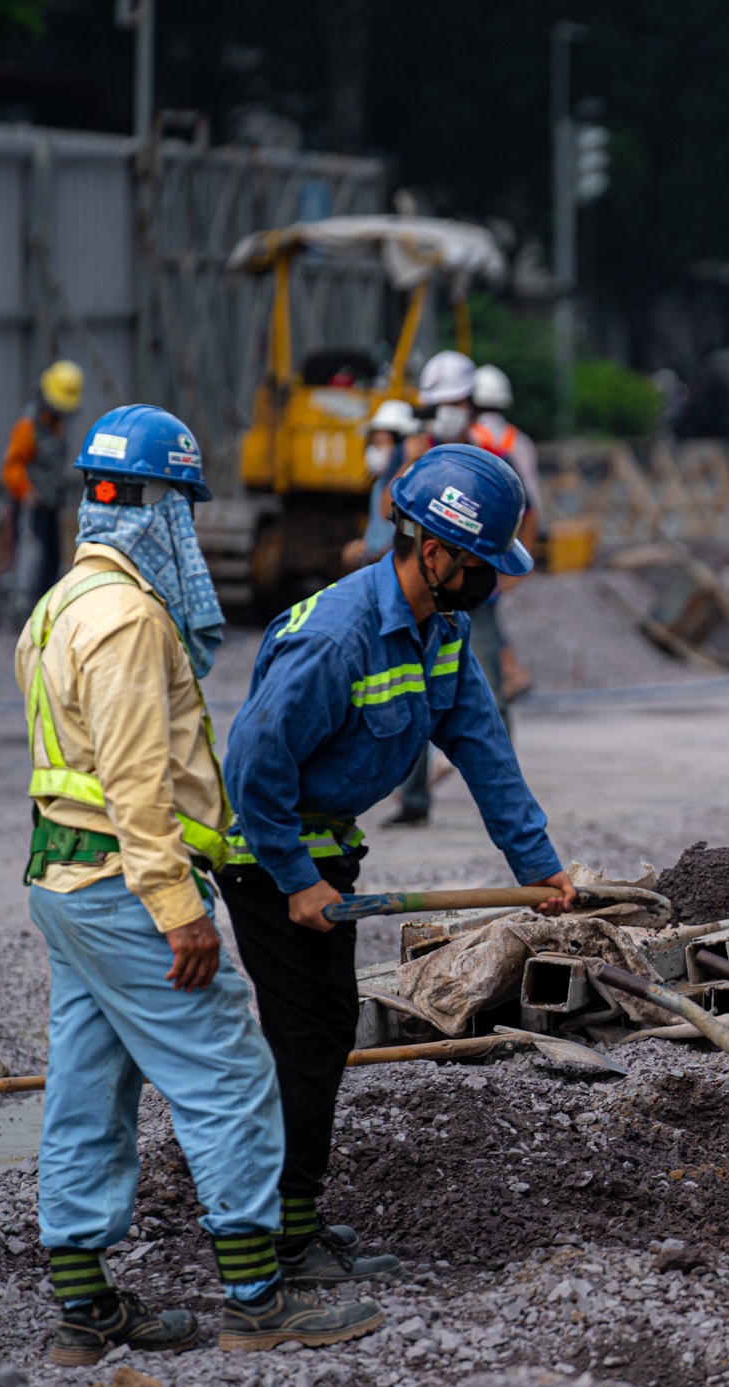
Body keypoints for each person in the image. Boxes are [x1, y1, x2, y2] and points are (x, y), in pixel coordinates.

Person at [19, 404, 381, 1361]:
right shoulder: (132, 621)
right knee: (227, 1074)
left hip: (62, 882)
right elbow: (137, 784)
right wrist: (181, 910)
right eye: (181, 509)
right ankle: (257, 1299)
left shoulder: (57, 605)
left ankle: (84, 1311)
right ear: (157, 509)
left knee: (87, 1087)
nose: (188, 531)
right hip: (127, 887)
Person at [216, 443, 577, 1283]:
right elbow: (251, 767)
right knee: (307, 1043)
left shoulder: (441, 631)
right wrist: (297, 878)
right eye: (485, 566)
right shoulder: (339, 637)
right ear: (434, 551)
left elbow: (483, 749)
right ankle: (277, 1244)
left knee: (328, 1030)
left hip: (324, 853)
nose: (494, 584)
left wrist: (540, 864)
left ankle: (295, 1219)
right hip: (266, 856)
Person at [386, 351, 484, 825]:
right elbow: (390, 508)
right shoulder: (412, 453)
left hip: (472, 591)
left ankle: (485, 782)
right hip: (423, 593)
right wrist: (410, 462)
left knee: (482, 697)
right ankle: (414, 798)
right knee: (414, 692)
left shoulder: (490, 451)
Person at [468, 364, 538, 705]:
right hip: (509, 539)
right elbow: (532, 503)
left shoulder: (471, 438)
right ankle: (508, 671)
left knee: (480, 616)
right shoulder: (518, 441)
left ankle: (507, 672)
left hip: (475, 540)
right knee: (488, 614)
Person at [3, 360, 86, 607]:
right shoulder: (27, 426)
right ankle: (25, 607)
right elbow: (12, 466)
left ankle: (49, 602)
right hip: (31, 505)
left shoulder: (55, 423)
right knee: (32, 558)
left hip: (51, 501)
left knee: (52, 556)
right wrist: (26, 491)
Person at [340, 398, 420, 572]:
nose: (376, 449)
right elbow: (376, 536)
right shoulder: (381, 482)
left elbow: (387, 512)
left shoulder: (411, 481)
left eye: (382, 442)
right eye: (374, 442)